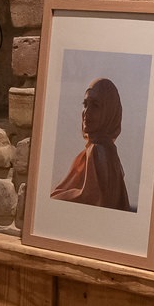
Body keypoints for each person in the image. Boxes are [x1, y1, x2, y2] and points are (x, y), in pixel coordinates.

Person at [49, 77, 132, 211]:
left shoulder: (98, 151)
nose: (86, 112)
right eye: (85, 104)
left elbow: (90, 199)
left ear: (109, 112)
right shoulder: (108, 151)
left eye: (95, 105)